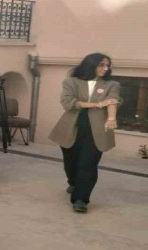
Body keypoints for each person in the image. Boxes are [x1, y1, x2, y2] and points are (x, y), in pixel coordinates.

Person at [49, 53, 120, 213]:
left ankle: (80, 199)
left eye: (107, 65)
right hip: (71, 127)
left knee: (88, 164)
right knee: (71, 162)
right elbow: (68, 102)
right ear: (90, 64)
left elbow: (113, 101)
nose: (105, 68)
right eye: (101, 64)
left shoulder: (111, 84)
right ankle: (73, 182)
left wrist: (111, 118)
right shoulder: (71, 82)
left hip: (97, 131)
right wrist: (97, 104)